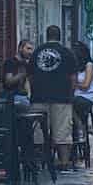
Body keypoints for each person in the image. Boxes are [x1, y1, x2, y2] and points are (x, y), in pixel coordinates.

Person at [28, 25, 78, 166]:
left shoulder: (36, 52)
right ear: (60, 36)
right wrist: (71, 95)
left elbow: (30, 76)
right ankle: (63, 162)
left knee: (38, 132)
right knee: (62, 132)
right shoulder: (67, 53)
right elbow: (73, 78)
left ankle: (40, 162)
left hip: (39, 97)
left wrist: (35, 90)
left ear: (46, 36)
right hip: (61, 97)